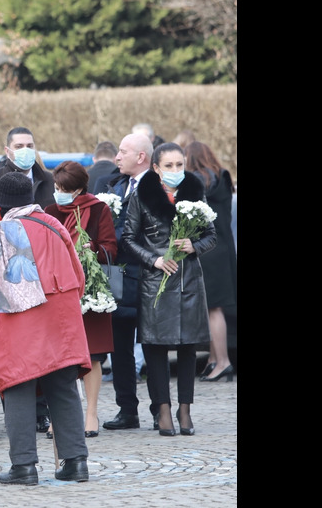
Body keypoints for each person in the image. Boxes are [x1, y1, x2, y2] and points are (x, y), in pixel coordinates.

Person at [0, 172, 91, 485]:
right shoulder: (55, 225)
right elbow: (79, 277)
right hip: (63, 321)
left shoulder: (5, 230)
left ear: (1, 206)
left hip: (24, 321)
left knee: (19, 385)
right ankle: (76, 463)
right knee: (63, 387)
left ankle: (24, 466)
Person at [122, 142, 216, 436]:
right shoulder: (142, 196)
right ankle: (162, 409)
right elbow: (128, 237)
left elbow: (213, 235)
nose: (175, 171)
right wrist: (155, 259)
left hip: (188, 280)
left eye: (179, 165)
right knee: (156, 348)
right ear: (156, 168)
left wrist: (194, 246)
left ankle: (184, 409)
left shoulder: (195, 193)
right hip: (155, 283)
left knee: (188, 347)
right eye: (169, 166)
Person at [0, 126, 55, 433]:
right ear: (7, 150)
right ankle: (18, 410)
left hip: (46, 276)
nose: (25, 150)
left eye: (30, 144)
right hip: (9, 276)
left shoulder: (48, 180)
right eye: (19, 145)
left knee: (42, 347)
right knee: (15, 348)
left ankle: (42, 409)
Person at [43, 160, 117, 438]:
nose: (57, 192)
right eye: (56, 187)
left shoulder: (98, 209)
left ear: (77, 190)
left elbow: (111, 248)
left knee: (92, 355)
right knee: (60, 357)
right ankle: (59, 416)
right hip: (59, 290)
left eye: (63, 188)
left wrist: (92, 248)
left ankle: (91, 413)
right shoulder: (50, 211)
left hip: (91, 291)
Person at [95, 132, 154, 431]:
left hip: (148, 277)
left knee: (154, 346)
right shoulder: (114, 185)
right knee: (119, 346)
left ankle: (161, 409)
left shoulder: (157, 187)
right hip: (117, 278)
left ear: (140, 157)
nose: (116, 157)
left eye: (122, 152)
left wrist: (114, 240)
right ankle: (126, 409)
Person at [178, 136, 236, 382]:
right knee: (214, 308)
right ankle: (214, 359)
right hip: (223, 248)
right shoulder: (222, 177)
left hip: (207, 250)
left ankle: (222, 361)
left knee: (213, 309)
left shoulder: (196, 182)